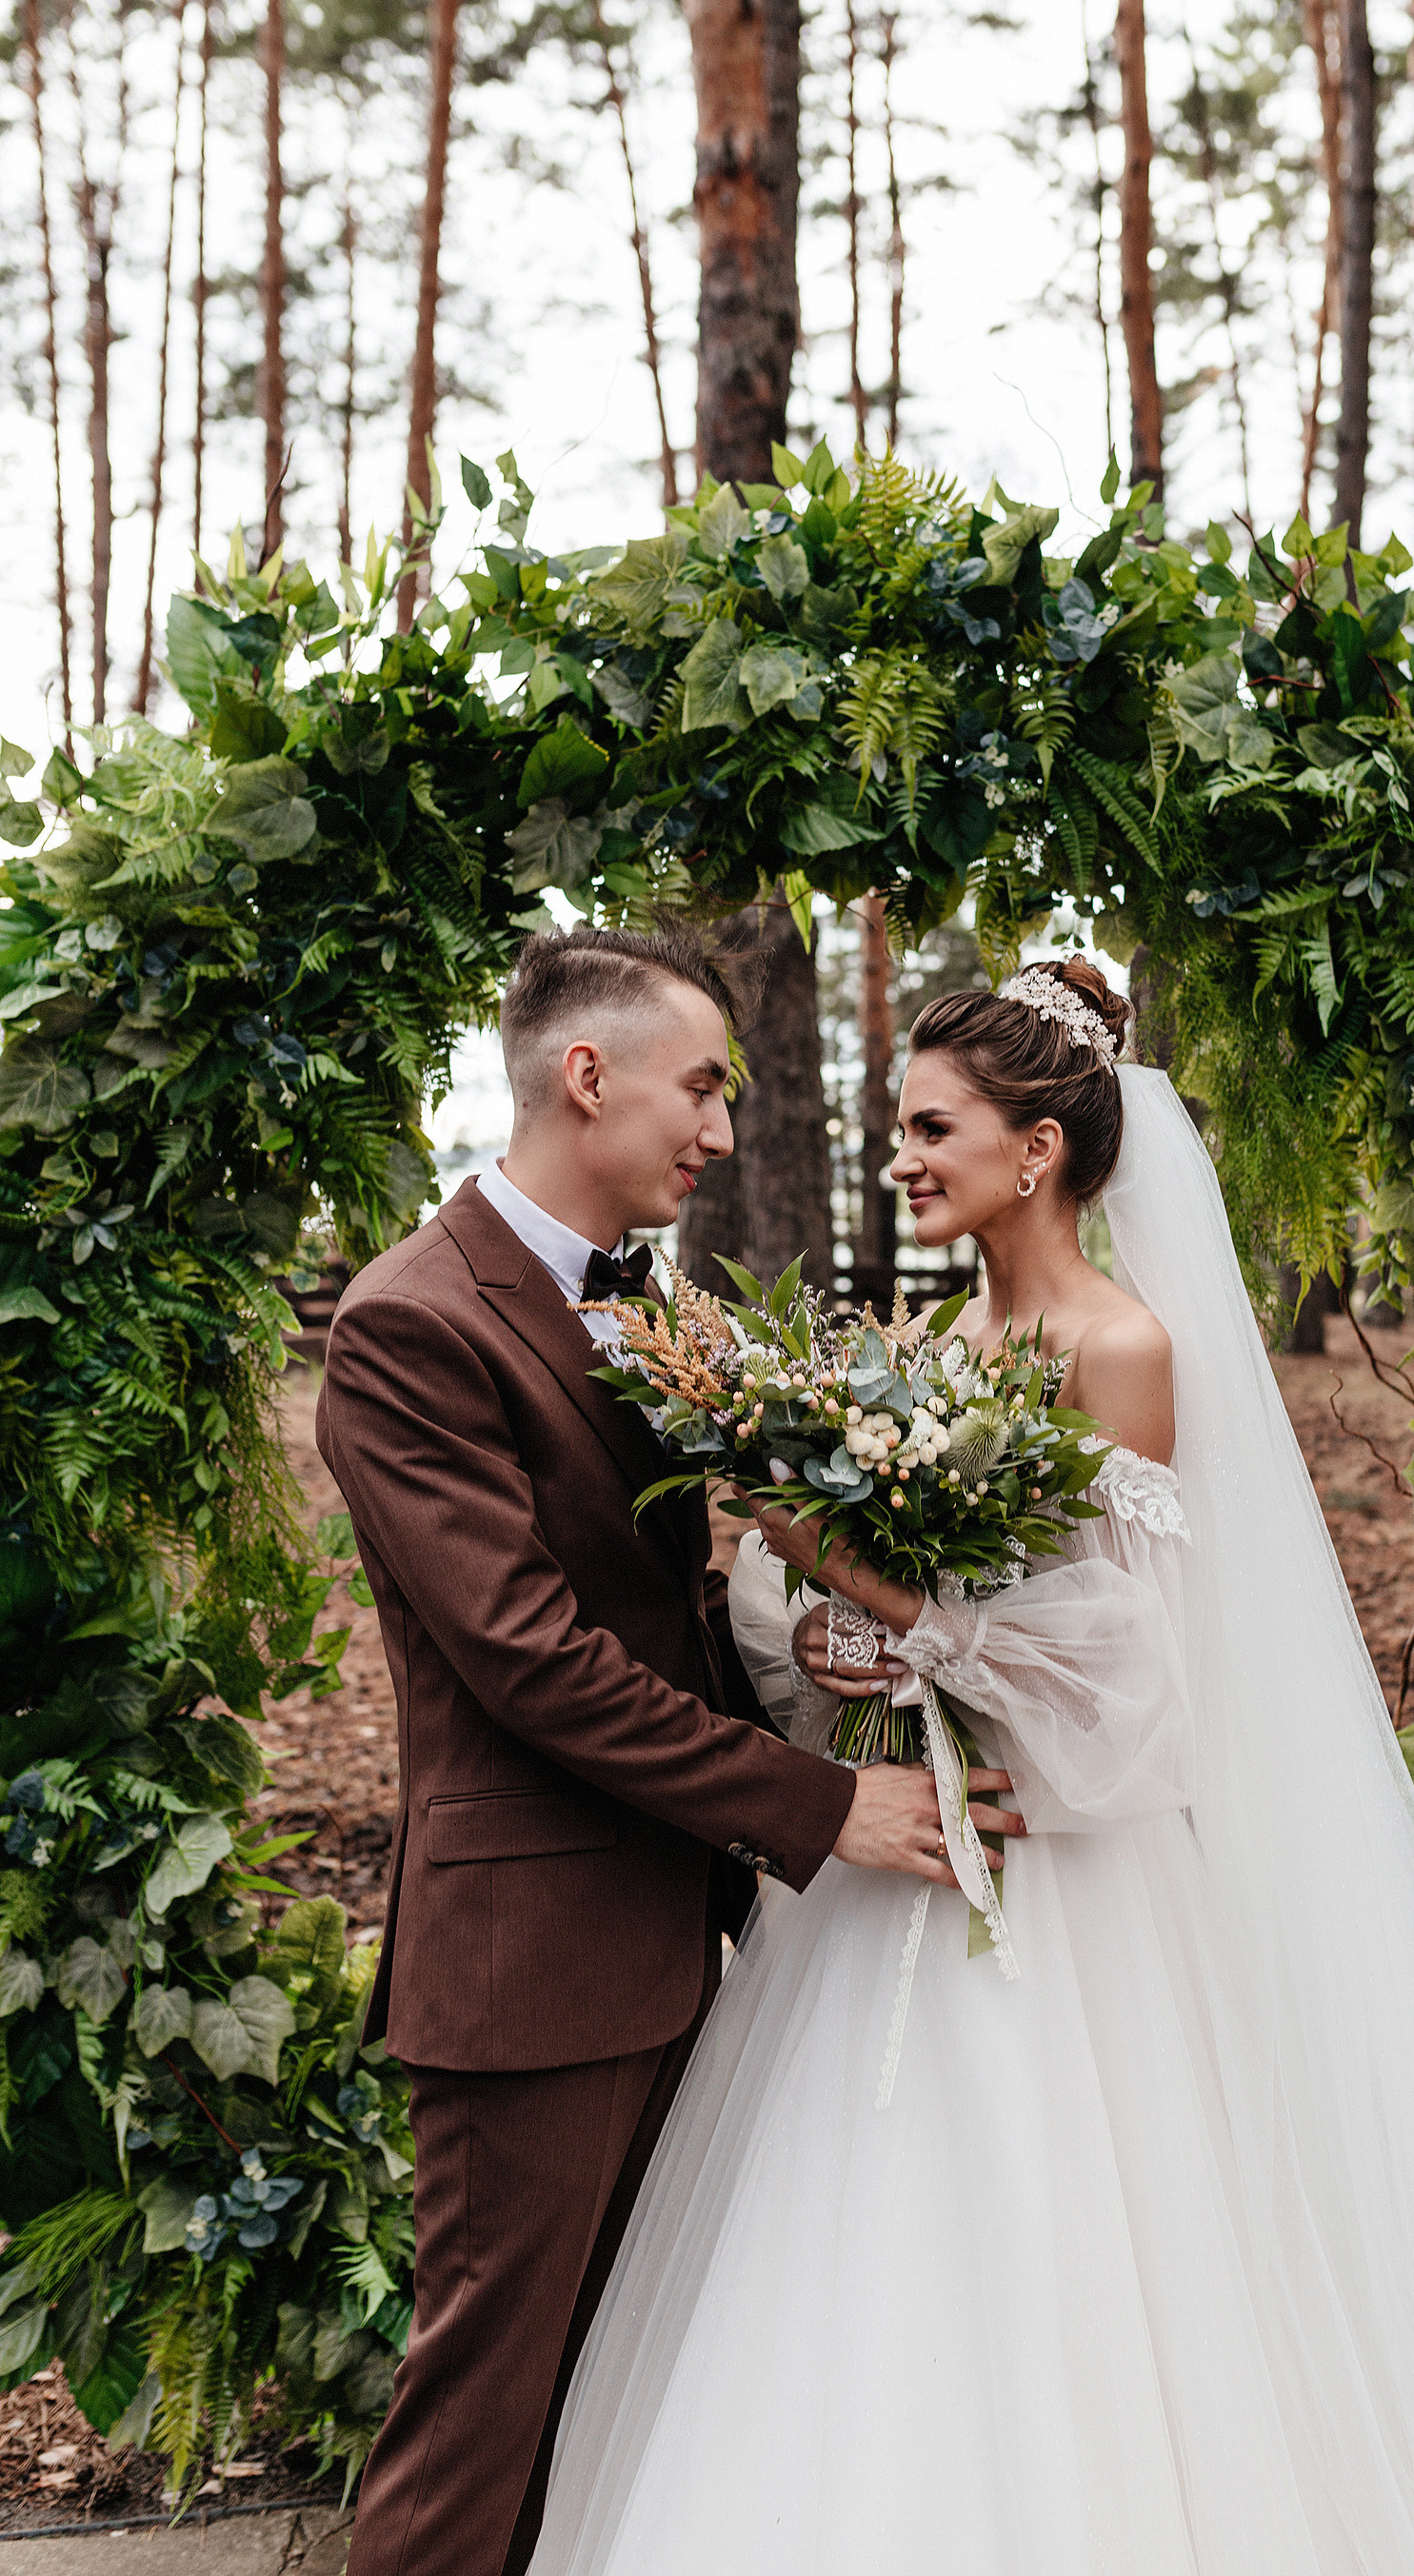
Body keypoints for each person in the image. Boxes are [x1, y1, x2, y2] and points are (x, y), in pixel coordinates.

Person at [527, 953, 1414, 2576]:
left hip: (1064, 1868)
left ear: (1037, 1150)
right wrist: (824, 1630)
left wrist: (871, 1584)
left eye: (932, 1125)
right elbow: (881, 1611)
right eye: (898, 1123)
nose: (903, 1154)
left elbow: (1116, 1673)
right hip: (904, 1848)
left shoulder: (1124, 1349)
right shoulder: (932, 1350)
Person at [314, 925, 1006, 2576]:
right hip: (535, 1961)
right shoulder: (412, 1325)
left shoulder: (645, 1302)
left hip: (677, 1926)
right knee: (481, 2428)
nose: (718, 1127)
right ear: (587, 1074)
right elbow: (537, 1665)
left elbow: (678, 1606)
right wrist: (822, 1806)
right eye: (702, 1087)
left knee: (628, 2403)